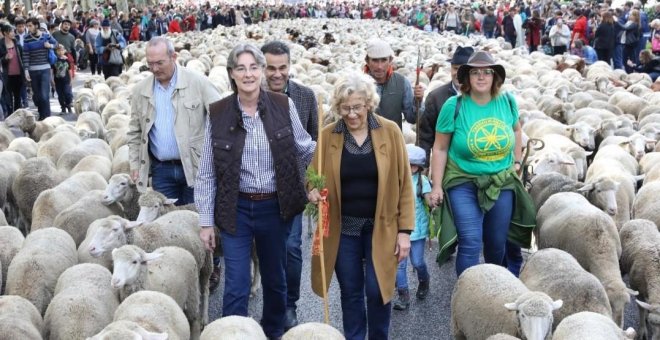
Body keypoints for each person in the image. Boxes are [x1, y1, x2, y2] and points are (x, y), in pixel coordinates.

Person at [196, 42, 315, 340]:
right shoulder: (219, 113)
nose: (248, 74)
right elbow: (207, 172)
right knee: (236, 283)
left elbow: (305, 149)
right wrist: (206, 221)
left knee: (275, 280)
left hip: (275, 208)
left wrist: (328, 168)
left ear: (262, 71)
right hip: (236, 209)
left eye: (253, 67)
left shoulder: (283, 105)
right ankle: (234, 334)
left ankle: (273, 332)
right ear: (232, 74)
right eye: (241, 68)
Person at [307, 72, 413, 340]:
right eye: (345, 108)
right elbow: (312, 177)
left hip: (382, 226)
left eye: (357, 107)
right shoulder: (328, 135)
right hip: (343, 229)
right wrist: (312, 192)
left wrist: (404, 232)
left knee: (378, 290)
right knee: (351, 291)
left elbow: (404, 186)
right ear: (337, 108)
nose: (352, 114)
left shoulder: (389, 132)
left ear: (369, 104)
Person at [429, 51, 535, 277]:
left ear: (495, 77)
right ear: (466, 77)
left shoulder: (507, 101)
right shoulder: (454, 105)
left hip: (501, 181)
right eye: (475, 72)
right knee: (470, 240)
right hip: (463, 181)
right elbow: (440, 147)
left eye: (487, 72)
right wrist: (436, 185)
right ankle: (466, 295)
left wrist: (516, 161)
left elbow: (516, 130)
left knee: (496, 243)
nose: (481, 77)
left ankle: (493, 291)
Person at [260, 40, 318, 331]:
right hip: (257, 187)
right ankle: (272, 304)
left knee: (292, 248)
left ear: (289, 66)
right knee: (268, 248)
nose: (277, 73)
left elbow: (312, 141)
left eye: (282, 67)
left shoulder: (305, 97)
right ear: (262, 67)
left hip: (293, 186)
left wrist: (311, 181)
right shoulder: (248, 95)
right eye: (270, 68)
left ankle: (289, 305)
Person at [419, 46, 474, 167]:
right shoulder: (436, 97)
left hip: (476, 165)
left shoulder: (482, 98)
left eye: (464, 69)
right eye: (455, 68)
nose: (458, 73)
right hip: (445, 166)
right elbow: (425, 136)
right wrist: (422, 165)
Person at [392, 144, 431, 311]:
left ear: (419, 167)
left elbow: (429, 201)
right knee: (399, 264)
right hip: (398, 231)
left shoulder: (422, 182)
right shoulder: (394, 181)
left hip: (417, 231)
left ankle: (424, 281)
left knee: (417, 262)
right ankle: (403, 295)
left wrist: (434, 199)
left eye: (414, 165)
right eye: (407, 164)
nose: (410, 168)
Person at [364, 38, 423, 129]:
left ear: (390, 60)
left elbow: (412, 118)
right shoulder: (359, 84)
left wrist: (418, 101)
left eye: (384, 60)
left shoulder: (402, 83)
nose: (379, 66)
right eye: (375, 60)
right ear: (367, 61)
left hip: (392, 140)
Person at [22, 17, 58, 121]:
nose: (28, 28)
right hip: (33, 70)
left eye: (30, 26)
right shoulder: (26, 38)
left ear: (36, 26)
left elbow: (57, 45)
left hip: (45, 69)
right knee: (37, 96)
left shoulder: (46, 36)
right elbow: (25, 55)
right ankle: (41, 111)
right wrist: (26, 70)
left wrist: (50, 45)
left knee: (44, 95)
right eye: (27, 26)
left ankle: (46, 117)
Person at [0, 24, 25, 115]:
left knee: (18, 95)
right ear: (5, 33)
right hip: (7, 75)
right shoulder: (1, 44)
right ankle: (10, 114)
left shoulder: (17, 43)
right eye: (11, 31)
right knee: (8, 96)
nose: (13, 33)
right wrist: (4, 58)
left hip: (18, 73)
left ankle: (17, 114)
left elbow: (23, 58)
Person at [618, 9, 641, 73]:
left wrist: (617, 22)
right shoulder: (629, 22)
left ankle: (630, 72)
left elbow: (625, 28)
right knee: (625, 59)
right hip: (626, 43)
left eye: (631, 14)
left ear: (635, 16)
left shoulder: (634, 24)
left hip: (630, 44)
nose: (629, 15)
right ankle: (628, 71)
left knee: (628, 59)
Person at [52, 44, 73, 113]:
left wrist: (71, 79)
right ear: (56, 51)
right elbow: (52, 71)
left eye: (62, 50)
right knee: (60, 95)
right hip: (57, 81)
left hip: (66, 80)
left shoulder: (67, 60)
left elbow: (69, 70)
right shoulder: (55, 60)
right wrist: (52, 80)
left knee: (67, 93)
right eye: (58, 50)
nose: (60, 52)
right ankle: (63, 107)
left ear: (64, 51)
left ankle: (68, 104)